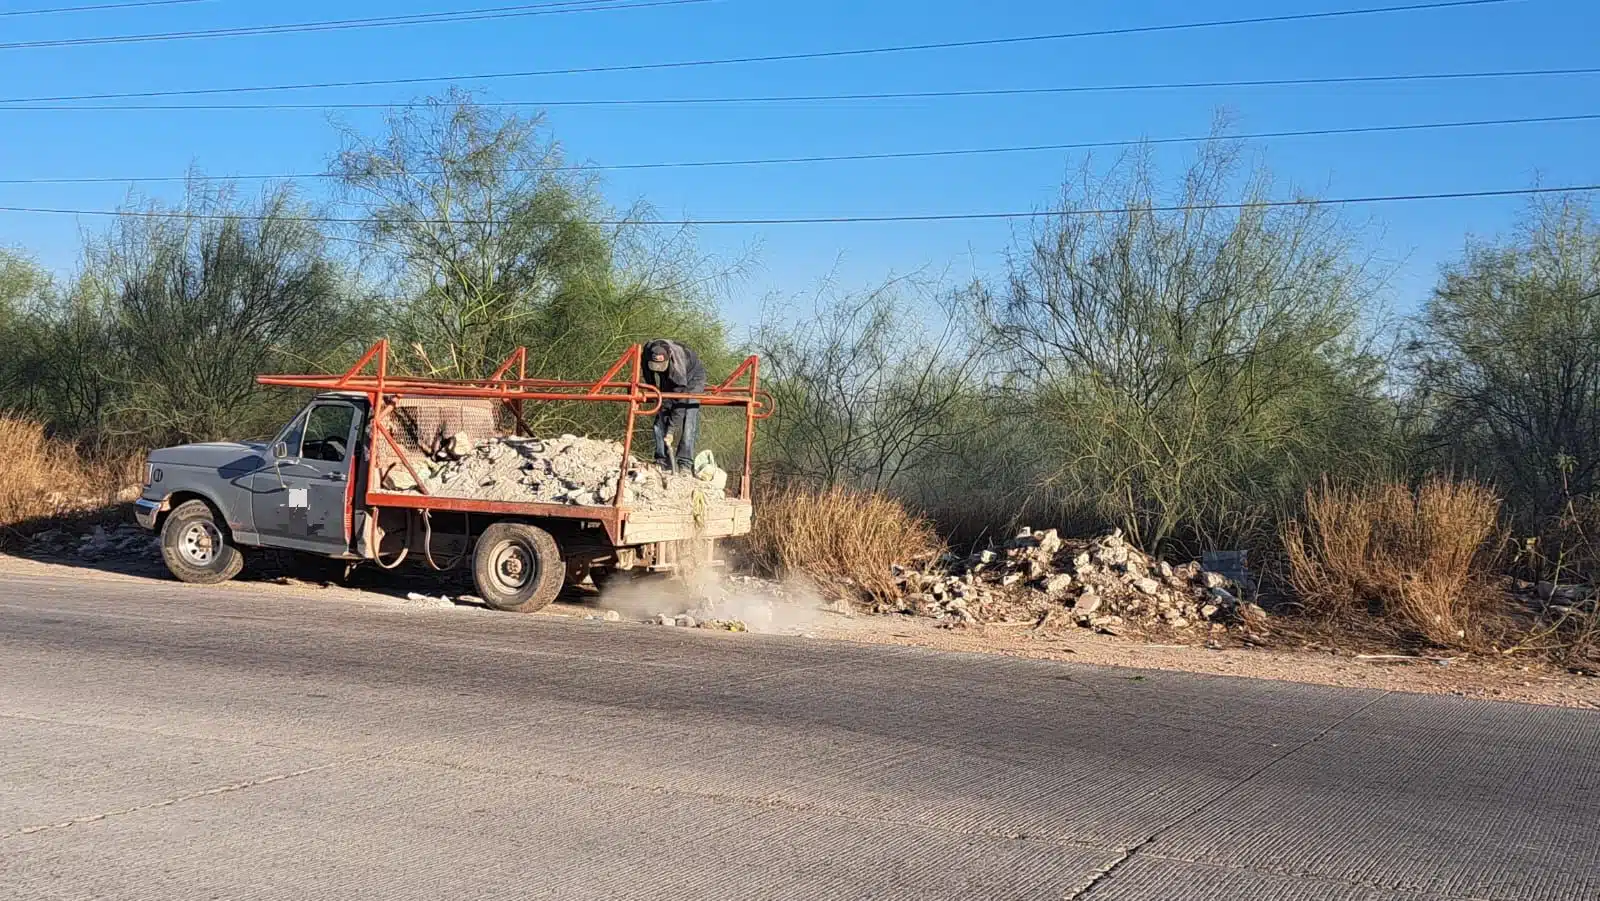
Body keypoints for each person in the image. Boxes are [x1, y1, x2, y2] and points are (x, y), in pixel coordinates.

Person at [641, 338, 706, 472]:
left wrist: (670, 431)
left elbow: (680, 405)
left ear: (668, 357)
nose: (657, 369)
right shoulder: (648, 351)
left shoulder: (678, 369)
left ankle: (684, 462)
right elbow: (647, 371)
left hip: (693, 378)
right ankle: (661, 460)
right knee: (661, 413)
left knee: (688, 415)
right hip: (669, 376)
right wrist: (653, 390)